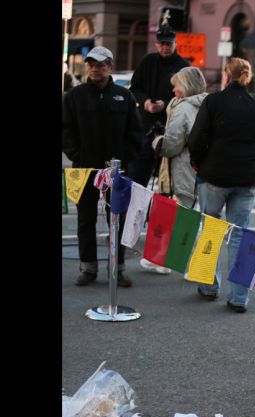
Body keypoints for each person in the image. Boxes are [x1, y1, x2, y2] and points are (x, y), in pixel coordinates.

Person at [187, 57, 255, 313]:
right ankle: (239, 297)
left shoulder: (213, 101)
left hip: (214, 173)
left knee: (211, 229)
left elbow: (197, 138)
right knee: (240, 234)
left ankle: (208, 285)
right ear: (247, 77)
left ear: (227, 76)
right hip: (246, 177)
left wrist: (199, 162)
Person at [62, 46, 143, 287]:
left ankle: (118, 268)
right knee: (85, 219)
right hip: (84, 169)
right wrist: (78, 155)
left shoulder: (124, 96)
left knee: (116, 218)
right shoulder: (74, 96)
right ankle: (88, 268)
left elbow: (135, 132)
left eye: (99, 64)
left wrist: (125, 159)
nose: (94, 69)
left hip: (116, 170)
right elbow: (66, 131)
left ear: (109, 66)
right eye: (91, 64)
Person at [128, 24, 190, 189]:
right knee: (138, 174)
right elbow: (135, 88)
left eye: (168, 44)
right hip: (146, 125)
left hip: (172, 127)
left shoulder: (184, 66)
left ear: (175, 44)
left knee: (170, 178)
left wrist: (166, 104)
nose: (165, 47)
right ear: (157, 44)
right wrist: (145, 102)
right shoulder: (147, 61)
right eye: (162, 44)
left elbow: (189, 95)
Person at [152, 66, 208, 207]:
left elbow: (171, 146)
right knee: (196, 215)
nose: (173, 90)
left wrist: (157, 141)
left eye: (176, 86)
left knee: (183, 219)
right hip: (201, 169)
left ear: (186, 86)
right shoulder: (207, 104)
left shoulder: (183, 108)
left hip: (182, 170)